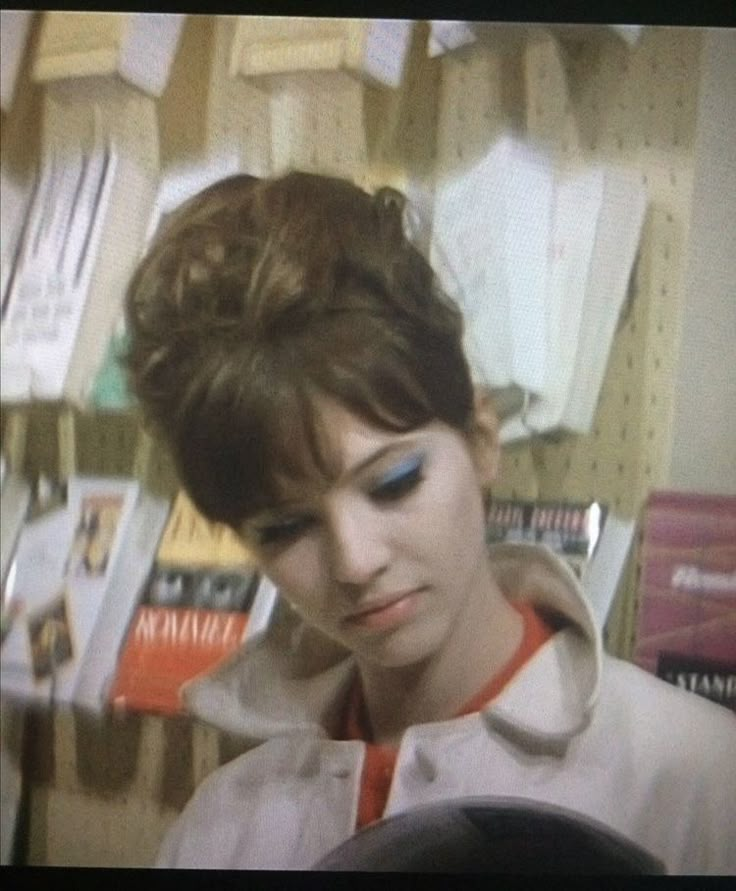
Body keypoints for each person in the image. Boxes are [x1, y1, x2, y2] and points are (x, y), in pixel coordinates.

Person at [124, 171, 735, 873]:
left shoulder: (696, 781)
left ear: (480, 438)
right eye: (286, 527)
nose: (355, 561)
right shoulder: (222, 825)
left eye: (393, 482)